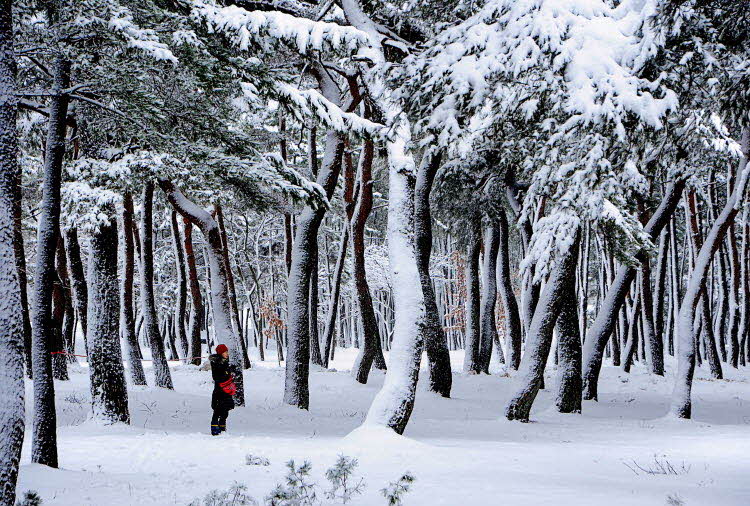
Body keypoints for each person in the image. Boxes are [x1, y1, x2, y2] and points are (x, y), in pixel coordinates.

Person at [209, 344, 236, 435]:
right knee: (217, 409)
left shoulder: (225, 361)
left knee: (225, 410)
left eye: (227, 352)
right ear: (221, 353)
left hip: (227, 391)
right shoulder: (216, 362)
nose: (227, 353)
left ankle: (222, 427)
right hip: (219, 391)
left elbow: (227, 374)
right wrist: (226, 373)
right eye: (225, 352)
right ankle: (214, 428)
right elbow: (217, 377)